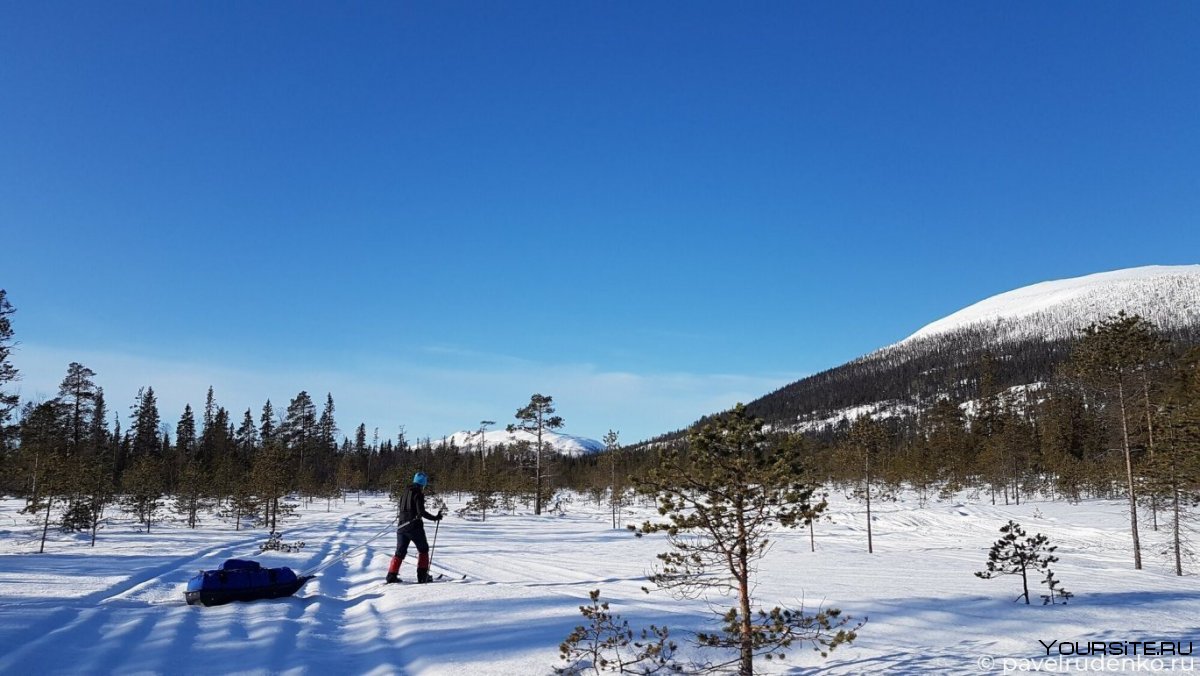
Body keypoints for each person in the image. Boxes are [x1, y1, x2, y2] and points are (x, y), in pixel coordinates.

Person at [386, 471, 443, 584]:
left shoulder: (405, 492)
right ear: (423, 483)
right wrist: (435, 518)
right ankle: (422, 576)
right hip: (414, 527)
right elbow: (421, 512)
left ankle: (391, 576)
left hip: (401, 527)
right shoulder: (418, 493)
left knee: (400, 552)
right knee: (423, 549)